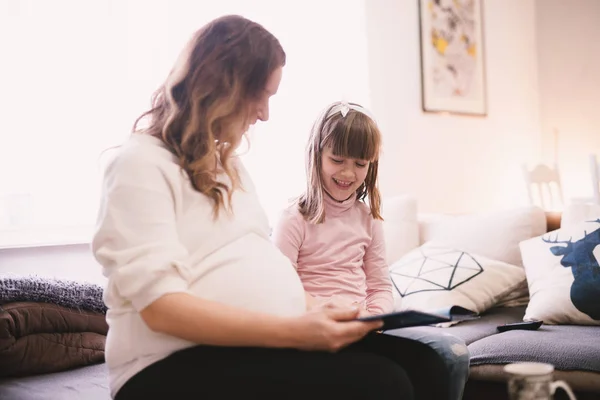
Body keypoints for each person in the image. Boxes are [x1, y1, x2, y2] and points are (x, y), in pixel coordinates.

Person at [92, 14, 449, 400]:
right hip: (163, 364)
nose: (264, 113)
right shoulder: (139, 163)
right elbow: (161, 308)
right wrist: (297, 331)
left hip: (246, 347)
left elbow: (266, 269)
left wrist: (321, 311)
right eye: (260, 95)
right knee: (383, 383)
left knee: (428, 363)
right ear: (220, 88)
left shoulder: (231, 168)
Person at [272, 100, 470, 400]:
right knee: (392, 381)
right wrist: (325, 312)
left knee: (449, 355)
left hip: (363, 331)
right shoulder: (293, 218)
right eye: (337, 160)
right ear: (316, 156)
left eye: (360, 163)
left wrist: (376, 319)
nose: (348, 173)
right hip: (316, 328)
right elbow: (279, 289)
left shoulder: (368, 218)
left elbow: (378, 285)